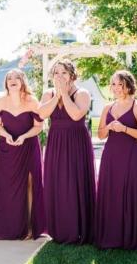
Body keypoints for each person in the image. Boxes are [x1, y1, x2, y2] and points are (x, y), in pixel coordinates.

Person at [94, 70, 137, 250]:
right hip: (111, 157)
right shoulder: (107, 108)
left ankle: (133, 237)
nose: (116, 88)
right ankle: (112, 237)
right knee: (111, 193)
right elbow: (100, 134)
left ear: (128, 85)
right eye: (113, 84)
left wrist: (125, 129)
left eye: (120, 84)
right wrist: (109, 127)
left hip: (131, 156)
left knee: (131, 193)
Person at [38, 59, 95, 244]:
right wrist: (57, 96)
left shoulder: (82, 93)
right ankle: (58, 229)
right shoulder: (48, 93)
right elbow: (41, 114)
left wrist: (64, 94)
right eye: (56, 73)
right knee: (56, 182)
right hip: (56, 141)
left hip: (76, 142)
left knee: (74, 181)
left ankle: (78, 228)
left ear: (72, 75)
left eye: (63, 73)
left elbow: (76, 115)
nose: (59, 77)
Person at [0, 69, 45, 240]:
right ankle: (8, 227)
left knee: (30, 184)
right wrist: (8, 135)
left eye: (16, 77)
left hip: (28, 147)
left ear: (22, 81)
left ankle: (30, 227)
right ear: (6, 83)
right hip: (8, 149)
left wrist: (24, 136)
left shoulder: (32, 101)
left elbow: (39, 127)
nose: (12, 80)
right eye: (9, 78)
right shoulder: (0, 102)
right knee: (7, 186)